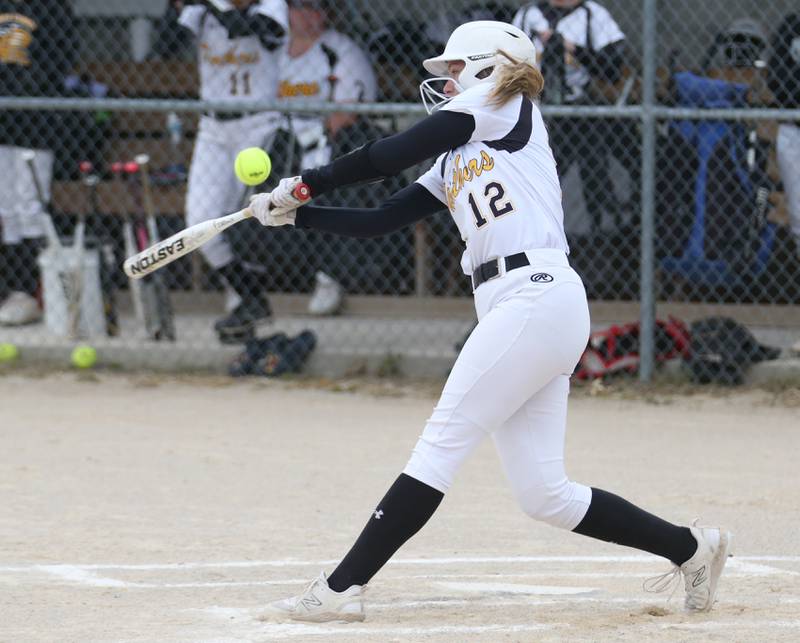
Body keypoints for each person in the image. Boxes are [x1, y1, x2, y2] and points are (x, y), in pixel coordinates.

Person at [246, 21, 732, 622]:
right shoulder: (457, 156)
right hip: (521, 307)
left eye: (454, 69)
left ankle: (340, 590)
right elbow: (382, 218)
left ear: (488, 66)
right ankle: (692, 547)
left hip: (535, 294)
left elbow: (387, 153)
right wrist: (296, 218)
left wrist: (307, 181)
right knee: (544, 494)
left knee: (441, 442)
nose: (447, 81)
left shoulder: (507, 107)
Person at [174, 0, 288, 342]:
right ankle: (250, 297)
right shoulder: (203, 11)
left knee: (248, 222)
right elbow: (166, 41)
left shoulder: (271, 6)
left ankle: (245, 304)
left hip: (259, 126)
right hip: (213, 130)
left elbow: (256, 32)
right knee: (199, 222)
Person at [276, 0, 377, 315]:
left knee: (323, 187)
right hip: (277, 142)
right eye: (302, 7)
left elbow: (347, 114)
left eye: (318, 8)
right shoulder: (272, 49)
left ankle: (327, 276)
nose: (311, 16)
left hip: (322, 145)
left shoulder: (341, 50)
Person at [512, 0, 628, 234]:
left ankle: (598, 232)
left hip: (578, 111)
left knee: (592, 174)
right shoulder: (528, 14)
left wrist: (571, 48)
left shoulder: (592, 14)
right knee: (531, 182)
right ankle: (528, 232)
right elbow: (505, 63)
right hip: (530, 108)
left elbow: (613, 69)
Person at [0, 0, 76, 326]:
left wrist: (23, 87)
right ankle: (18, 293)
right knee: (7, 210)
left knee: (30, 207)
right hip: (3, 121)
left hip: (36, 122)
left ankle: (41, 290)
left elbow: (59, 61)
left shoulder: (51, 7)